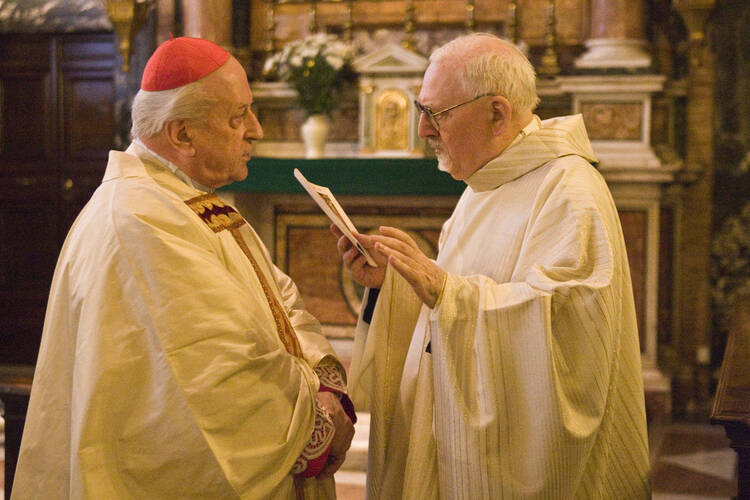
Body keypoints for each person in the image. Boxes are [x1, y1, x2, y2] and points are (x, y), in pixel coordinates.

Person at [13, 37, 354, 500]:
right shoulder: (140, 218)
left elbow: (281, 297)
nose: (255, 129)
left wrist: (324, 384)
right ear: (181, 134)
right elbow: (215, 371)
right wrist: (315, 420)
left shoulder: (185, 200)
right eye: (238, 117)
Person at [333, 33, 650, 499]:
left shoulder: (570, 190)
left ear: (497, 112)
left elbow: (571, 334)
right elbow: (451, 299)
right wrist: (394, 286)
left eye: (435, 114)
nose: (422, 131)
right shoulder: (486, 183)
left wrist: (444, 289)